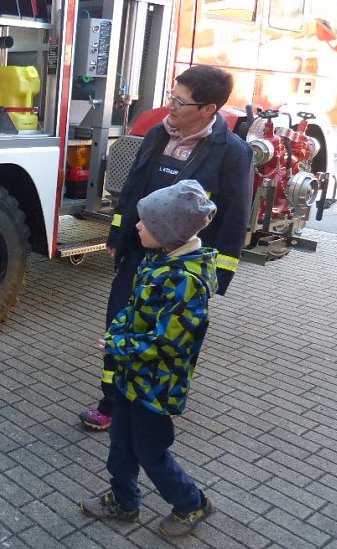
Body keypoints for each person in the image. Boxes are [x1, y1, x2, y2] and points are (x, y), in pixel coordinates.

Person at [79, 65, 253, 432]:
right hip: (139, 251)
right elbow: (133, 189)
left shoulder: (232, 153)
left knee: (168, 337)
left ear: (209, 109)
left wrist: (216, 275)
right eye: (172, 95)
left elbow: (235, 218)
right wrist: (117, 235)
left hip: (183, 263)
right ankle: (110, 403)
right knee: (119, 325)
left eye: (180, 101)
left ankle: (157, 403)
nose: (170, 106)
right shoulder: (159, 133)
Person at [80, 179, 218, 537]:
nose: (137, 226)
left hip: (157, 385)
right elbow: (133, 308)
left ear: (168, 232)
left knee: (150, 450)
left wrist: (120, 347)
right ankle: (125, 501)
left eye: (146, 223)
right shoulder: (157, 260)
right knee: (121, 444)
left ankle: (191, 502)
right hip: (132, 376)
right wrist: (116, 334)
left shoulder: (186, 281)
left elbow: (167, 342)